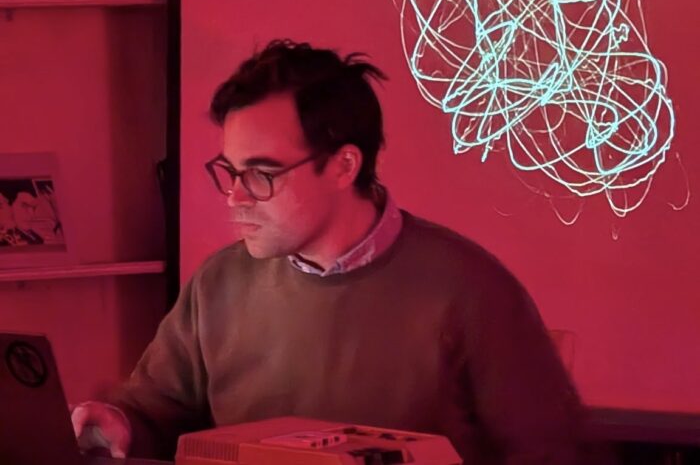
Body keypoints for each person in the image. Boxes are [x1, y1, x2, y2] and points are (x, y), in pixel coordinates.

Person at [72, 40, 584, 464]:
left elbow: (552, 454)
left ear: (343, 166)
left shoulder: (470, 290)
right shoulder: (219, 285)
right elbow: (156, 414)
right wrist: (120, 424)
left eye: (262, 174)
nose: (236, 196)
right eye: (231, 171)